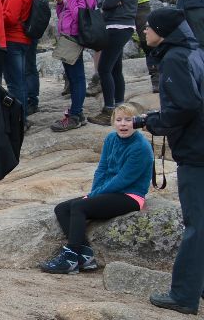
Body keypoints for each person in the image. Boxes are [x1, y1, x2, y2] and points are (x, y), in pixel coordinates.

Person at [139, 7, 204, 315]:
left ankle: (183, 295)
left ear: (162, 31)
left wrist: (157, 122)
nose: (144, 31)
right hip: (199, 147)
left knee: (196, 225)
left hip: (197, 152)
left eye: (149, 27)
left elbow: (187, 105)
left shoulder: (175, 58)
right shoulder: (193, 52)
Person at [41, 104, 152, 274]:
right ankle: (85, 255)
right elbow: (102, 169)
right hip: (109, 192)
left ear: (136, 122)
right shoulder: (110, 139)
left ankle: (70, 257)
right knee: (62, 208)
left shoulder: (141, 147)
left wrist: (93, 196)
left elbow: (123, 180)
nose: (123, 124)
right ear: (113, 122)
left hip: (130, 195)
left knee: (79, 207)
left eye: (128, 120)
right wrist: (94, 194)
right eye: (119, 120)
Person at [91, 0, 140, 125]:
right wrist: (109, 1)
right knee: (115, 68)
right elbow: (107, 0)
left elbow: (108, 1)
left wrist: (110, 1)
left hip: (118, 26)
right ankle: (119, 107)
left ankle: (109, 110)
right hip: (118, 25)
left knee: (104, 68)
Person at [50, 0, 97, 132]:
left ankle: (76, 115)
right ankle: (77, 113)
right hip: (68, 37)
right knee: (72, 76)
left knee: (77, 77)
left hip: (75, 39)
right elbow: (64, 14)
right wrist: (61, 3)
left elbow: (80, 16)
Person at [0, 0, 45, 117]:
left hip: (13, 40)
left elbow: (10, 18)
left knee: (14, 83)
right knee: (21, 79)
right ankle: (24, 115)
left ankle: (20, 120)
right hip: (25, 39)